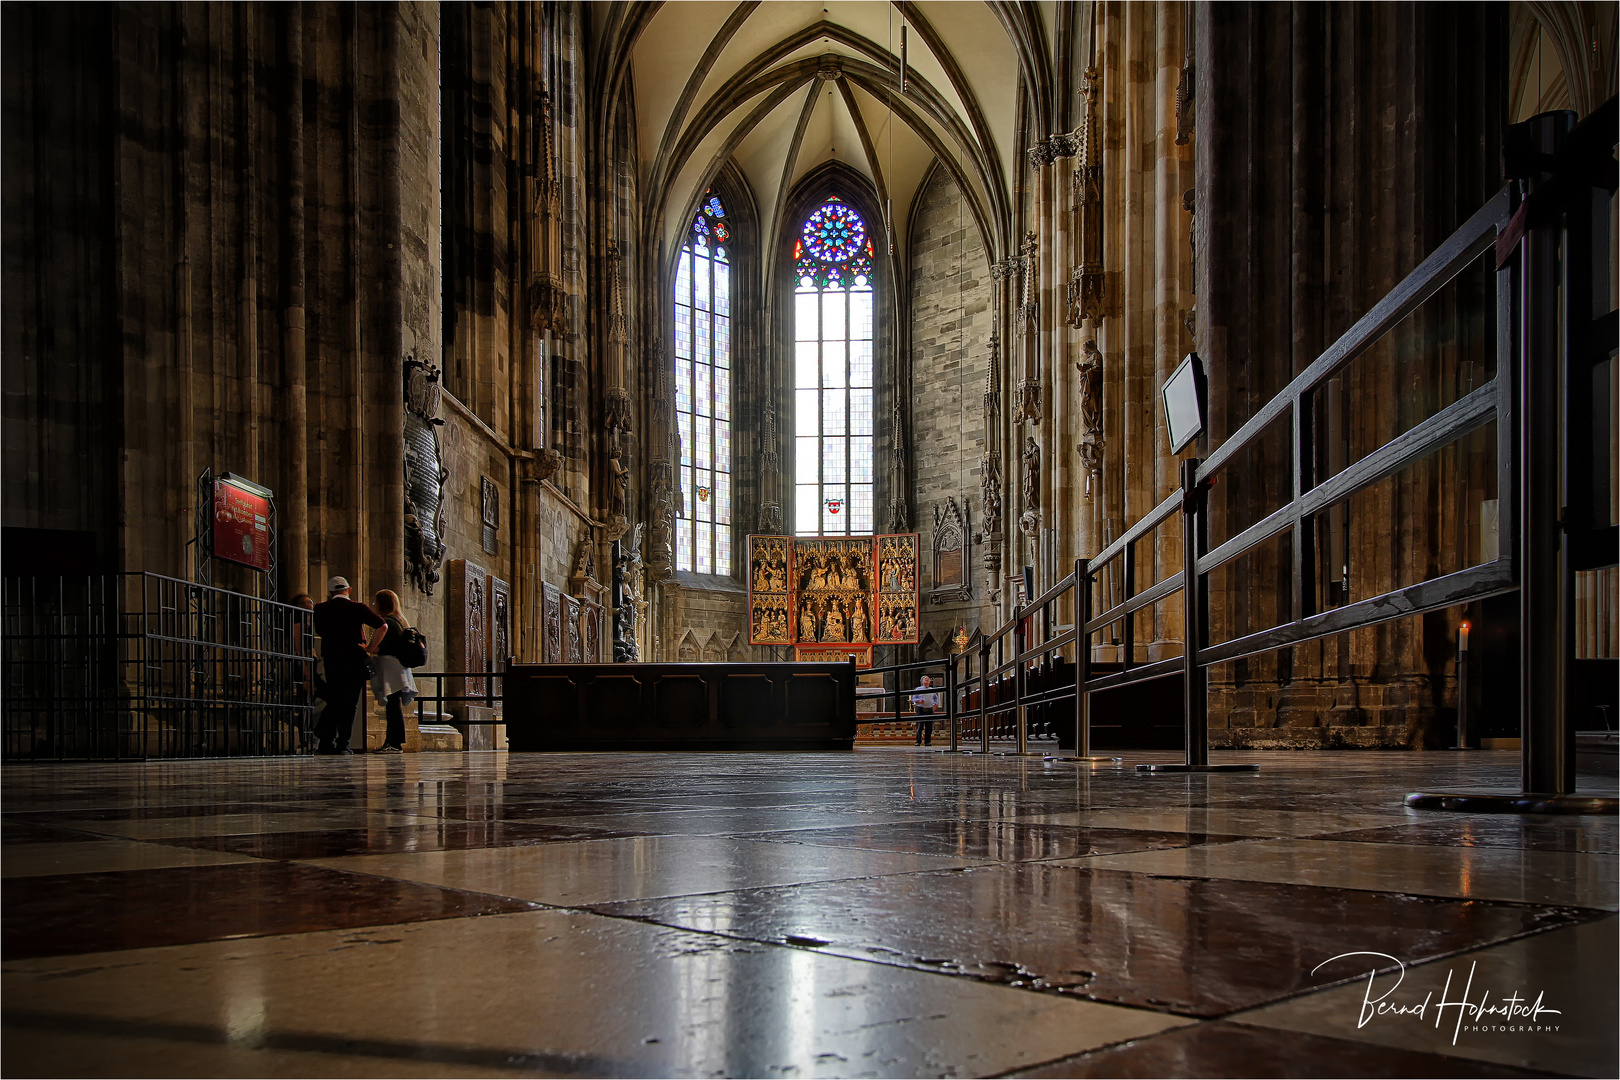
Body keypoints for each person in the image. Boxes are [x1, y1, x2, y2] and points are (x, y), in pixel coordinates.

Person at [311, 576, 386, 754]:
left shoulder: (320, 608)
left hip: (332, 660)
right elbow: (382, 626)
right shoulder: (357, 607)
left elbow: (320, 631)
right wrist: (370, 647)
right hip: (354, 660)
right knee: (350, 703)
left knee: (335, 700)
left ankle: (325, 742)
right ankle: (343, 743)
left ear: (330, 592)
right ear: (349, 590)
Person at [369, 590, 418, 753]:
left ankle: (394, 742)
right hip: (398, 667)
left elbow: (379, 647)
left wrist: (367, 648)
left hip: (391, 667)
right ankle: (394, 741)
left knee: (392, 705)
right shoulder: (399, 620)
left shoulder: (387, 622)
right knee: (393, 704)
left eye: (375, 603)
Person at [910, 674, 941, 746]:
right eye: (925, 679)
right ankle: (918, 741)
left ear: (930, 682)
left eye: (928, 680)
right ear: (922, 681)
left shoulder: (932, 690)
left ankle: (927, 741)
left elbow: (936, 699)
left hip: (929, 709)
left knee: (929, 726)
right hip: (920, 709)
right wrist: (919, 701)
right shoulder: (918, 689)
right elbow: (913, 699)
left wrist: (935, 705)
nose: (927, 681)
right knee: (919, 726)